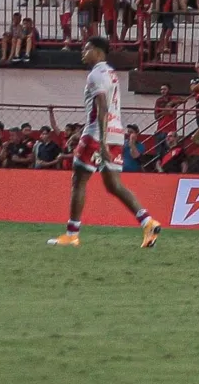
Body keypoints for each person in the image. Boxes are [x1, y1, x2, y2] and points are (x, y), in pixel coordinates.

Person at [48, 36, 161, 248]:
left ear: (98, 51)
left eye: (87, 48)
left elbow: (102, 107)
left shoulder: (96, 75)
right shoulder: (111, 73)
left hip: (97, 134)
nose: (83, 52)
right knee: (113, 185)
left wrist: (100, 142)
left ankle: (72, 234)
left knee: (79, 179)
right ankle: (148, 222)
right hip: (117, 133)